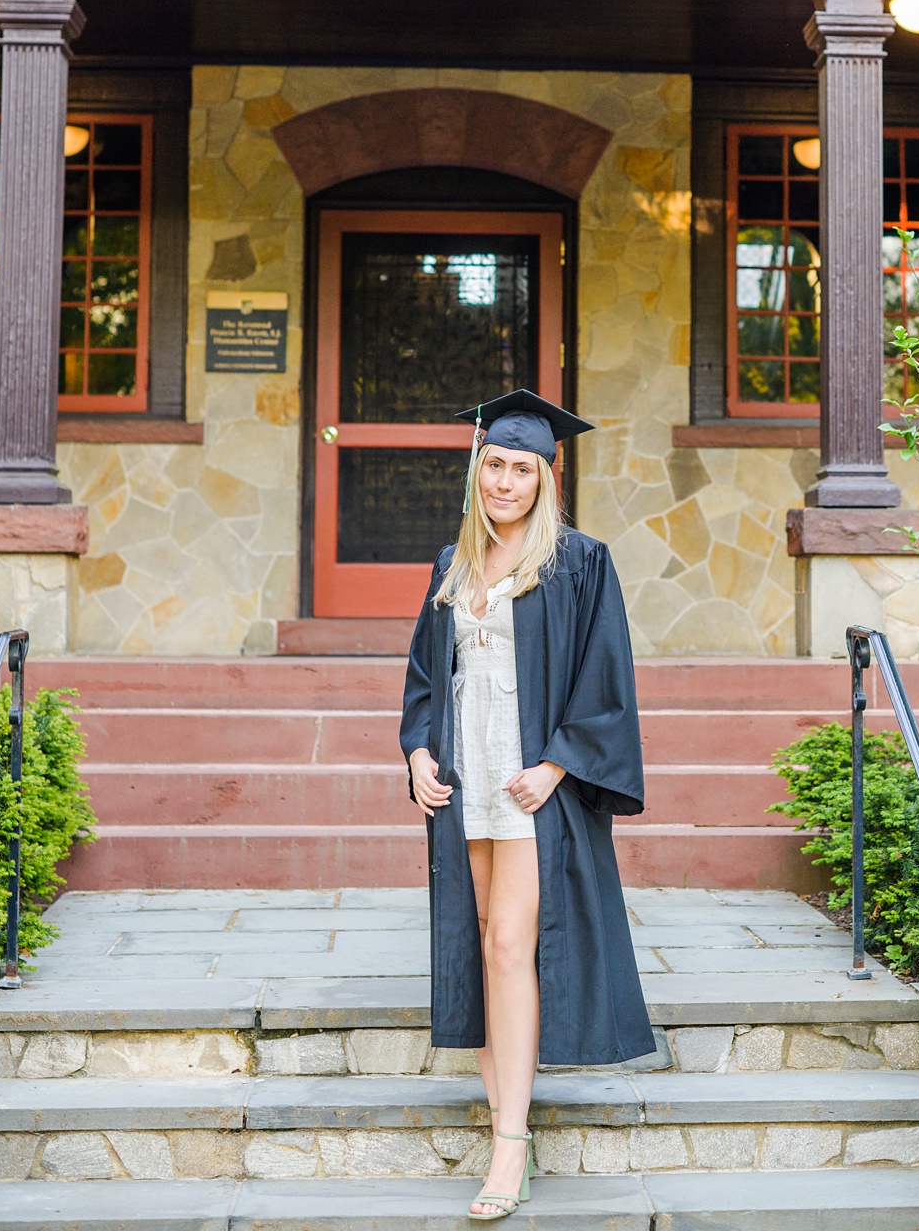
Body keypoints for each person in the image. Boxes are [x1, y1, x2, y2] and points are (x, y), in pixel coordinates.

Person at [400, 389, 654, 1223]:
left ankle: (508, 1142)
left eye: (522, 469)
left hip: (529, 783)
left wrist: (557, 765)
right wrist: (417, 751)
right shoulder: (451, 564)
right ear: (477, 472)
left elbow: (606, 680)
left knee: (513, 943)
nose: (506, 482)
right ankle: (506, 1125)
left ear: (547, 477)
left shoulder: (580, 562)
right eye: (494, 466)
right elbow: (426, 680)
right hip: (465, 779)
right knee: (479, 944)